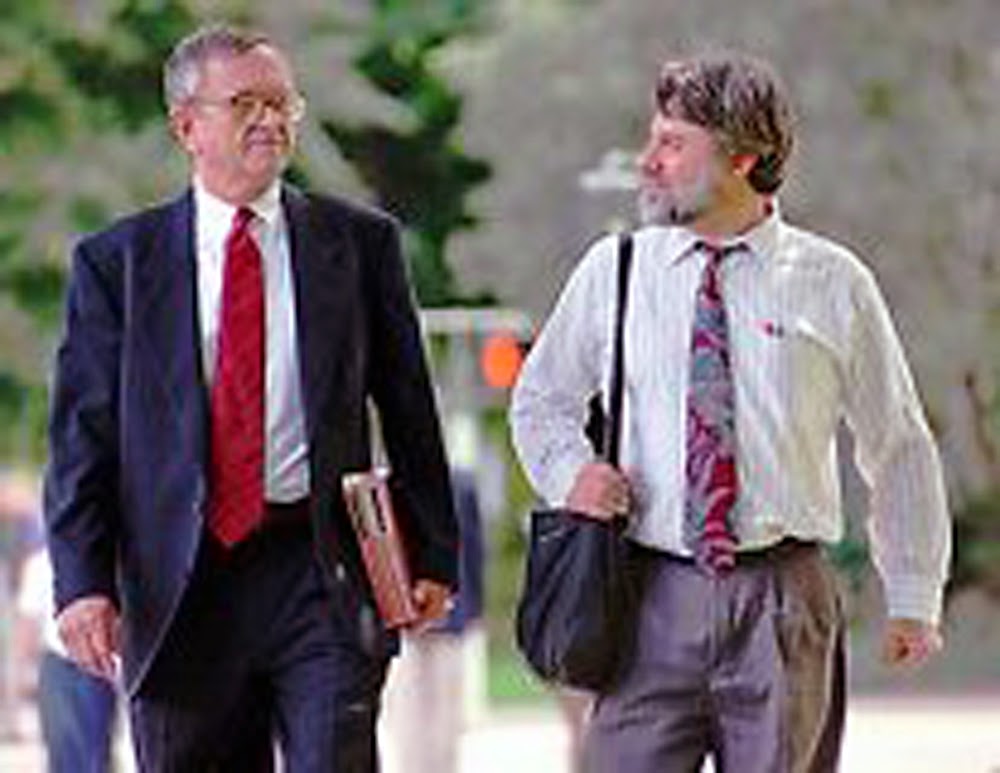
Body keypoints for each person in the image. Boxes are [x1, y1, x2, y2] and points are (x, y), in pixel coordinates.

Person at [510, 52, 951, 772]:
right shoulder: (615, 270)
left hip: (784, 602)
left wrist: (913, 592)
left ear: (743, 157)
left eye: (672, 144)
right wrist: (572, 475)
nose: (648, 162)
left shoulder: (833, 282)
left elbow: (897, 442)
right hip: (645, 595)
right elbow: (541, 401)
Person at [44, 23, 458, 772]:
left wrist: (433, 551)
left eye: (282, 103)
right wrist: (82, 583)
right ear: (187, 127)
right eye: (245, 104)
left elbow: (409, 409)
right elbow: (83, 439)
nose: (270, 120)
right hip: (179, 584)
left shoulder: (359, 244)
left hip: (320, 571)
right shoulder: (117, 264)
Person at [16, 547, 120, 772]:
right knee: (60, 744)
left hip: (95, 662)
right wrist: (25, 671)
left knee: (96, 748)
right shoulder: (38, 564)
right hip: (57, 664)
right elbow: (28, 623)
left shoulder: (100, 561)